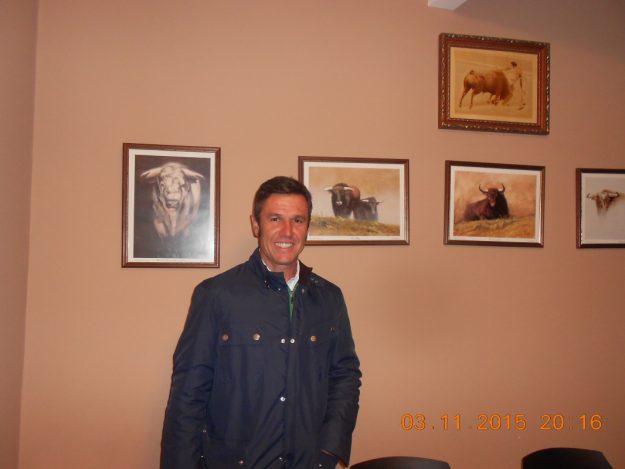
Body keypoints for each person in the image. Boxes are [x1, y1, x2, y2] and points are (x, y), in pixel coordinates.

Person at [161, 176, 361, 469]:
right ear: (256, 225)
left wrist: (329, 448)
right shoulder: (216, 295)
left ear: (307, 227)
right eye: (275, 219)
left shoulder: (329, 297)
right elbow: (187, 395)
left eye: (298, 220)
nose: (287, 232)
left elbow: (345, 375)